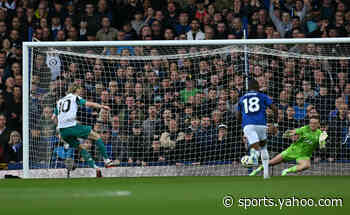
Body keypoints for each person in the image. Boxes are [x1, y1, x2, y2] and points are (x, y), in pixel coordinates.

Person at [51, 83, 116, 178]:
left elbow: (53, 118)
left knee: (81, 148)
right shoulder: (74, 97)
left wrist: (59, 128)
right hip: (72, 126)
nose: (81, 92)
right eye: (80, 90)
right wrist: (102, 106)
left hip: (63, 131)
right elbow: (88, 103)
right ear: (76, 90)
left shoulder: (59, 101)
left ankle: (96, 168)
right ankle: (107, 160)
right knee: (96, 136)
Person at [250, 117, 328, 176]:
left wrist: (321, 142)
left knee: (306, 165)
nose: (313, 125)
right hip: (291, 151)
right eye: (311, 123)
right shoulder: (305, 129)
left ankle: (287, 171)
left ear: (318, 124)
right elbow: (294, 131)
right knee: (270, 163)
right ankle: (255, 171)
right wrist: (289, 133)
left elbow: (322, 149)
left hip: (303, 156)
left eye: (315, 123)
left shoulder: (321, 134)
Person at [237, 79, 278, 179]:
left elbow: (238, 115)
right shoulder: (263, 96)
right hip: (262, 125)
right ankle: (266, 174)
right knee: (264, 148)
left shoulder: (242, 98)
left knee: (256, 147)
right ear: (258, 87)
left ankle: (253, 158)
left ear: (248, 88)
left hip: (248, 125)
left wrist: (241, 124)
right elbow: (275, 109)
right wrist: (275, 124)